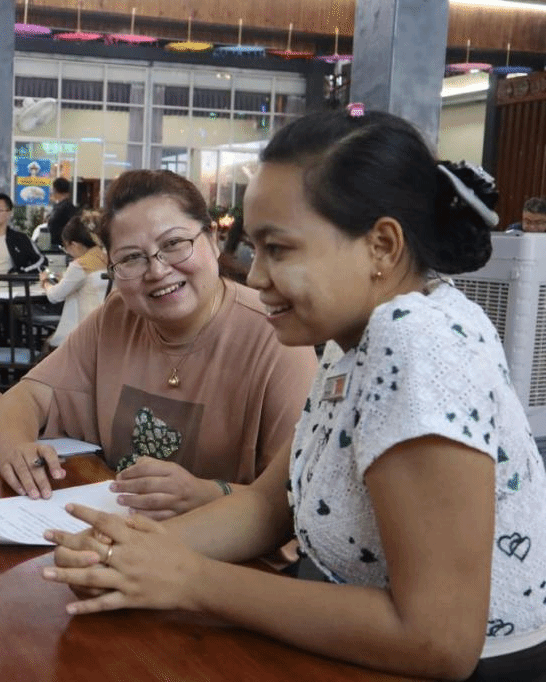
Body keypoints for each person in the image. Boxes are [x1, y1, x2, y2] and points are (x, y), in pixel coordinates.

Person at [44, 110, 546, 681]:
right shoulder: (352, 335)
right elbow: (269, 505)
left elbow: (439, 639)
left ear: (382, 246)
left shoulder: (417, 339)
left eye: (278, 249)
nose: (256, 276)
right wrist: (125, 552)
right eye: (254, 248)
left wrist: (189, 578)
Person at [0, 169, 317, 522]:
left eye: (174, 243)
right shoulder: (116, 317)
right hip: (111, 532)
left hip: (217, 551)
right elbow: (26, 396)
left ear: (211, 239)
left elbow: (298, 495)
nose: (157, 271)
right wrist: (17, 448)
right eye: (132, 258)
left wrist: (208, 493)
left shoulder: (277, 336)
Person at [38, 211, 108, 349]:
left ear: (74, 245)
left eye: (66, 248)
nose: (68, 252)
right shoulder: (107, 258)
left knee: (47, 346)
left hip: (84, 329)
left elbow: (54, 296)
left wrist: (45, 282)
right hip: (107, 326)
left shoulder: (80, 265)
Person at [46, 177, 79, 248]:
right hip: (57, 243)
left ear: (55, 190)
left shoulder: (66, 207)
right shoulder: (61, 206)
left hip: (62, 245)